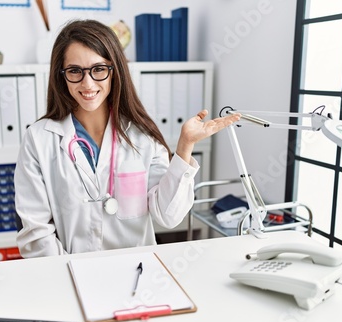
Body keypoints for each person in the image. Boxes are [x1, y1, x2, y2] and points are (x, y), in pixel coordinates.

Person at [14, 19, 240, 258]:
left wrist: (184, 147)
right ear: (62, 75)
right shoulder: (39, 139)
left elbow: (168, 216)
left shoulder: (142, 134)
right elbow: (36, 232)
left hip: (137, 272)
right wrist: (70, 272)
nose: (87, 83)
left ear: (115, 71)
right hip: (69, 272)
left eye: (99, 69)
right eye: (75, 71)